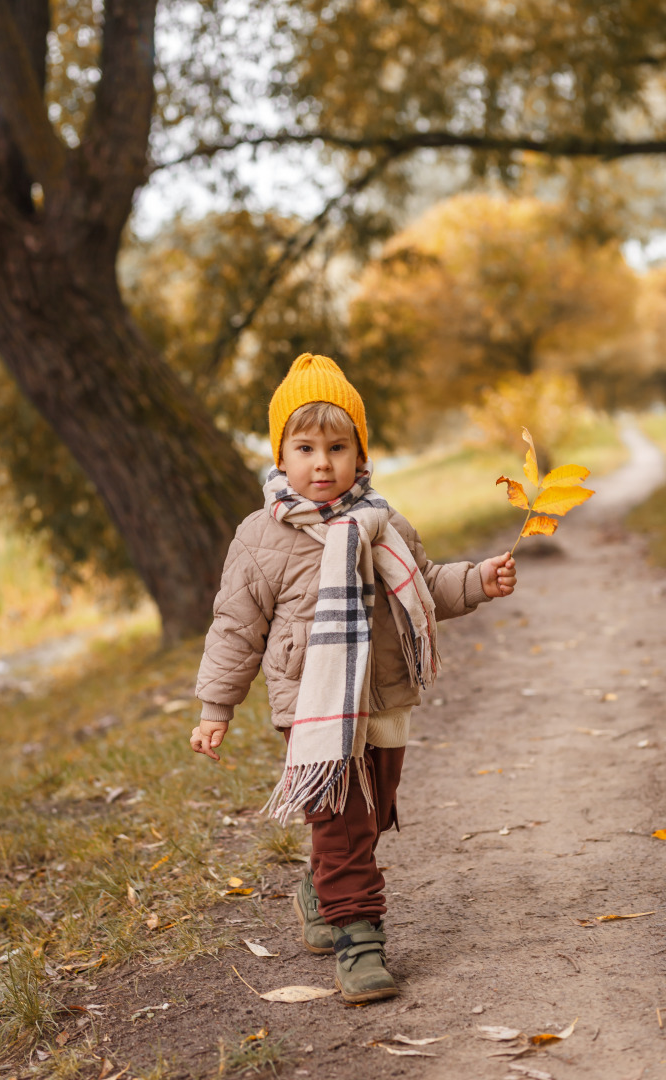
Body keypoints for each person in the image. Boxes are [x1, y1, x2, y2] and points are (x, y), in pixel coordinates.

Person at [190, 353, 516, 1003]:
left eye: (338, 446)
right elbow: (235, 626)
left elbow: (423, 587)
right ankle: (358, 940)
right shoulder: (261, 538)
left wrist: (477, 581)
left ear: (360, 456)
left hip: (385, 695)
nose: (322, 462)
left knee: (371, 812)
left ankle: (322, 884)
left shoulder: (384, 525)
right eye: (305, 446)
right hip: (314, 709)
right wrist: (214, 706)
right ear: (280, 457)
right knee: (341, 817)